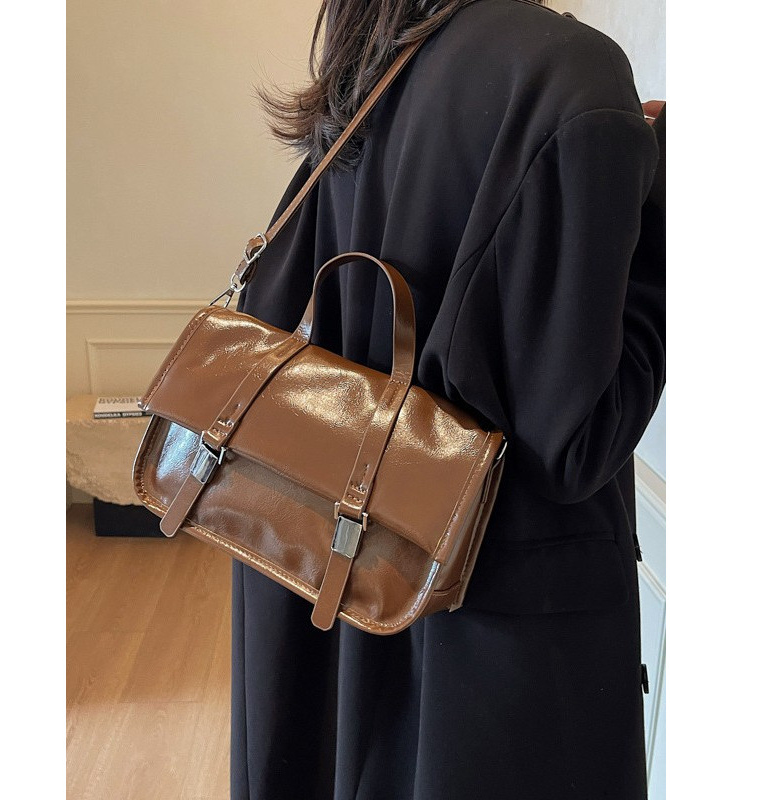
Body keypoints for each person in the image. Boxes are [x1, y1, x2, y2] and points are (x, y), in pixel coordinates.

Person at [232, 1, 666, 797]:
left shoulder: (375, 55)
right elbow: (573, 443)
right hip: (491, 643)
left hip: (327, 569)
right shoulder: (570, 72)